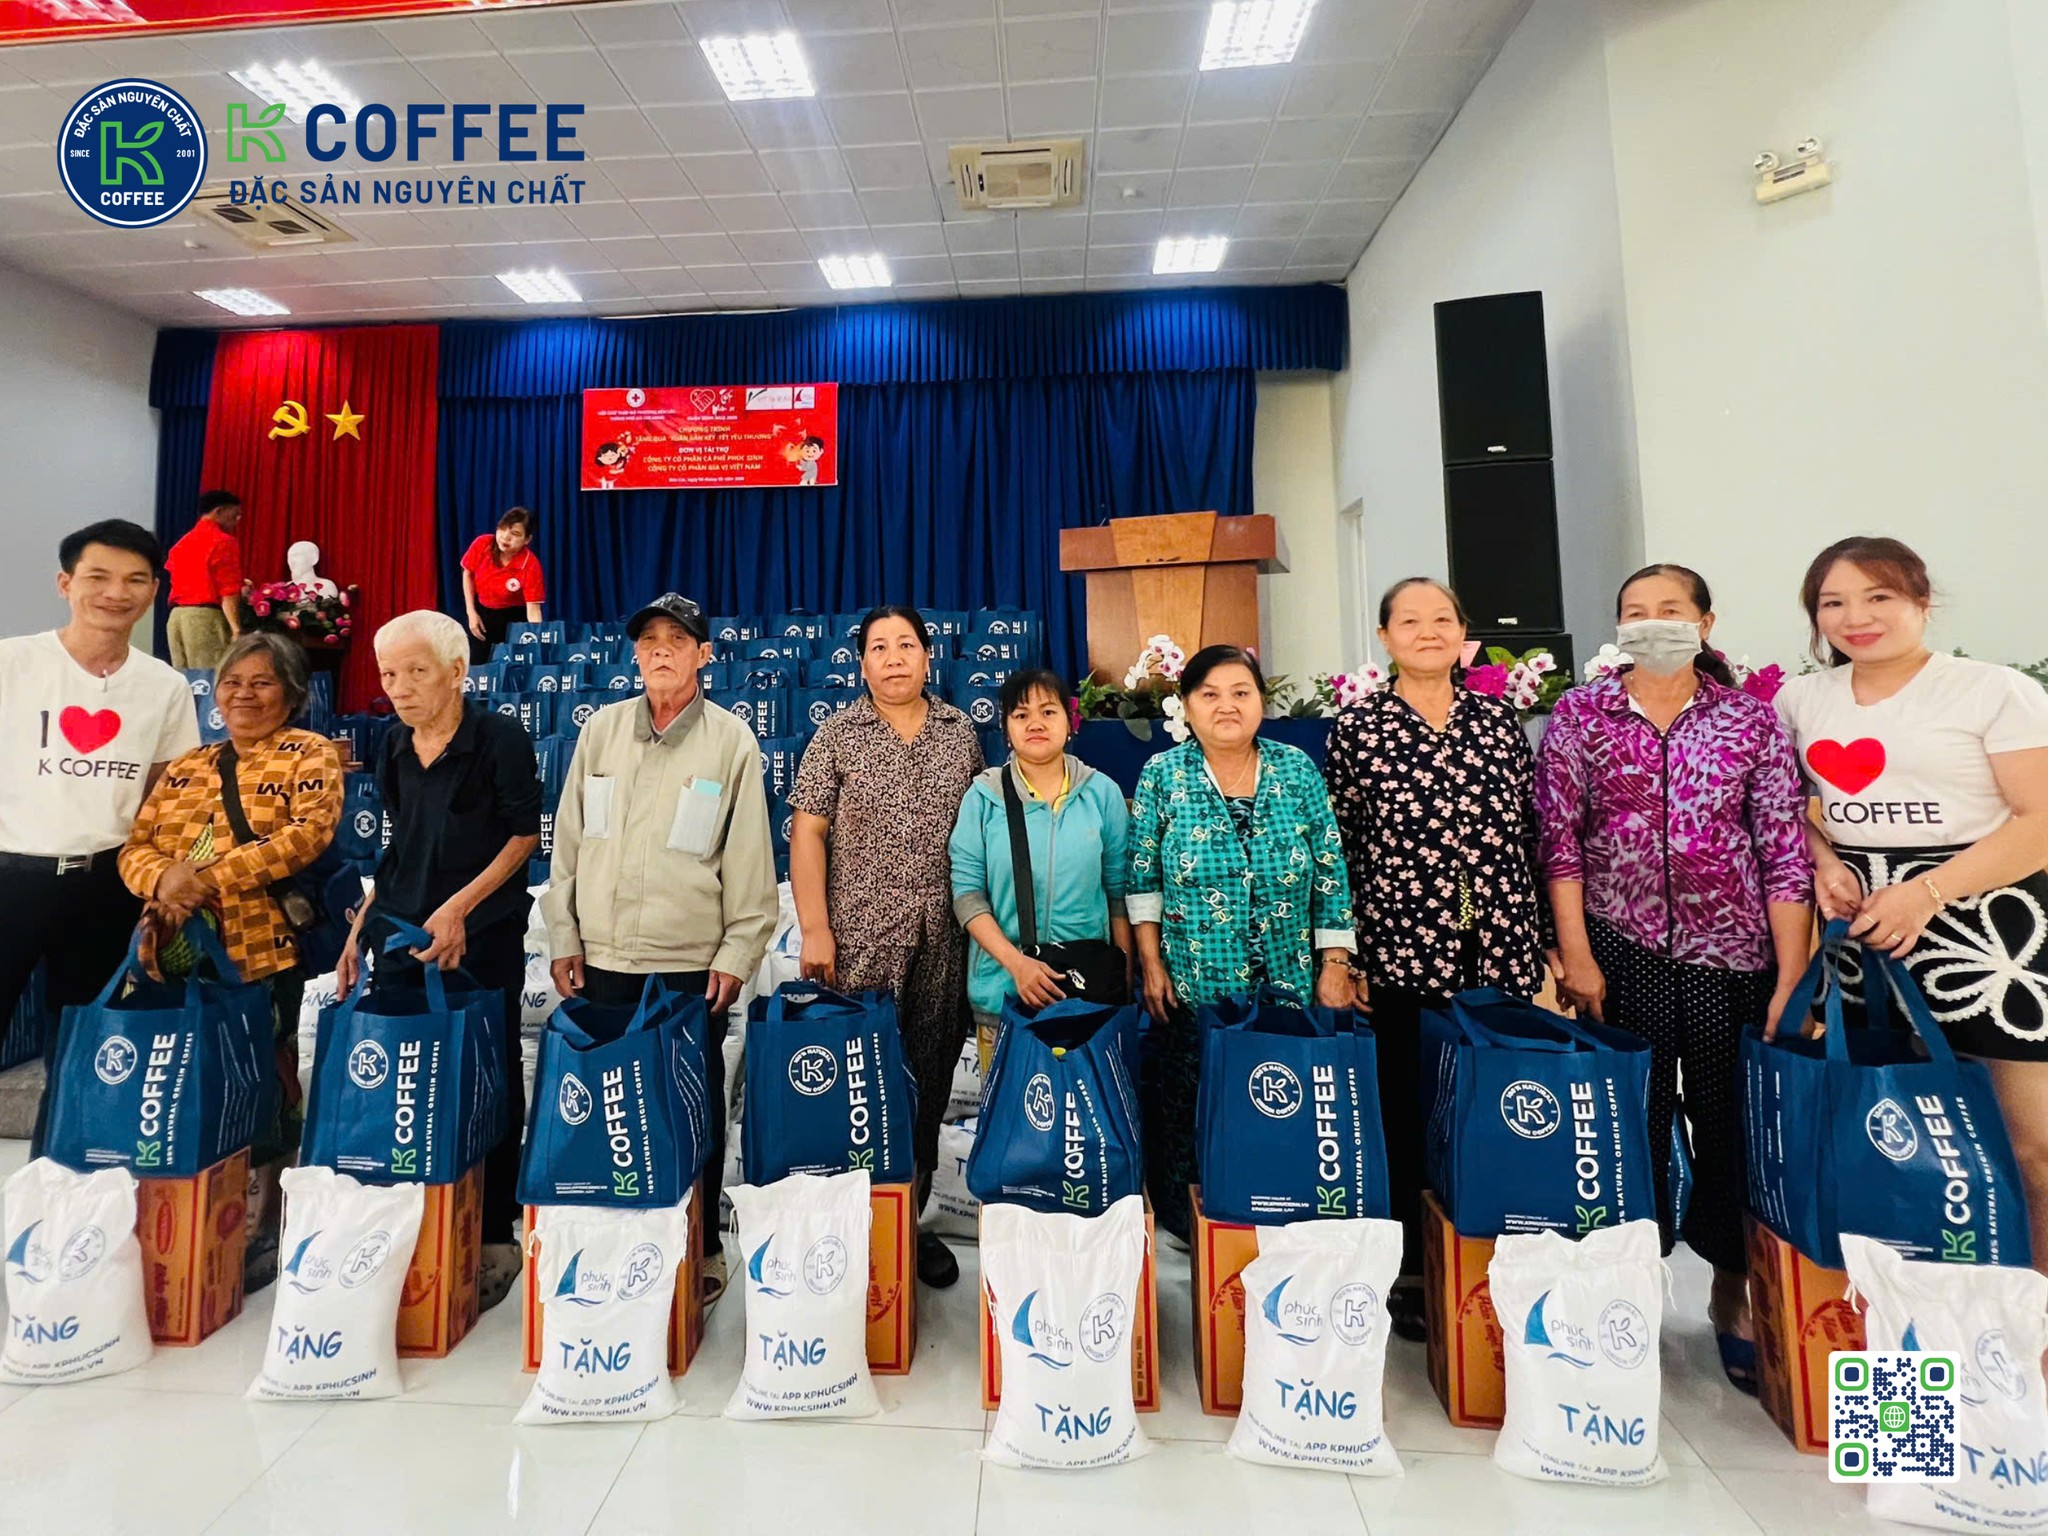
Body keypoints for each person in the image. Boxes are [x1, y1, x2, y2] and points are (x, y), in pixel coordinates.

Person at [1536, 563, 1812, 1392]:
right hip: (1620, 948)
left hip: (1735, 953)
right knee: (1631, 1124)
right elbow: (1559, 840)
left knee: (1730, 1124)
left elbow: (1783, 848)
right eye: (1635, 611)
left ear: (1704, 622)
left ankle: (1731, 1288)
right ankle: (1627, 1294)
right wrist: (1576, 953)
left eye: (1669, 609)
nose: (1651, 622)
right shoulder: (1581, 714)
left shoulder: (1748, 720)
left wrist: (1792, 971)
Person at [1774, 536, 2048, 1267]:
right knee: (1904, 1138)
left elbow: (2039, 822)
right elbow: (1786, 806)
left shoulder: (1992, 690)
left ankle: (2033, 1315)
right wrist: (1824, 861)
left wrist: (1928, 893)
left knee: (2029, 1147)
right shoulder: (1802, 699)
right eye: (1833, 602)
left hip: (1989, 934)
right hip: (1863, 933)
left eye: (1879, 597)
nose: (1856, 617)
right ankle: (1923, 1301)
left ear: (1922, 602)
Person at [1325, 578, 1550, 1341]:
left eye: (1442, 619)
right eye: (1410, 621)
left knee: (1498, 1105)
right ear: (1384, 637)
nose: (1428, 632)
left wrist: (1543, 939)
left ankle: (1495, 1257)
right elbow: (1343, 846)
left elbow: (1528, 833)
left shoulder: (1498, 722)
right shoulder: (1358, 729)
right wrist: (1350, 955)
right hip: (1400, 948)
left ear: (1463, 634)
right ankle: (1414, 1269)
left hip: (1498, 946)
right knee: (1408, 1107)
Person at [543, 593, 778, 1305]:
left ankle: (701, 1247)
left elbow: (749, 858)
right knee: (607, 1111)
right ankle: (618, 1239)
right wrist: (563, 933)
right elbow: (570, 840)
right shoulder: (601, 731)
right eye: (649, 641)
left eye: (677, 640)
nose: (661, 652)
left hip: (688, 966)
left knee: (689, 1111)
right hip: (603, 960)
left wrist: (737, 952)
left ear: (704, 655)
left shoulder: (731, 741)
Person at [118, 632, 343, 1289]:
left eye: (261, 682)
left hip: (261, 946)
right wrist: (163, 880)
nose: (243, 694)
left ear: (292, 694)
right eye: (232, 682)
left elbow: (305, 836)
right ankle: (186, 1206)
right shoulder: (188, 765)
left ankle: (266, 1217)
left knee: (266, 1076)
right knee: (180, 1079)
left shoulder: (310, 752)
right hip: (171, 946)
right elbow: (136, 845)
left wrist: (204, 879)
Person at [336, 610, 540, 1310]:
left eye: (416, 671)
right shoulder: (394, 743)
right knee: (401, 1077)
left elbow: (523, 837)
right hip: (399, 932)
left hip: (481, 935)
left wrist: (459, 908)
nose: (399, 687)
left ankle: (494, 1233)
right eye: (389, 673)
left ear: (457, 672)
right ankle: (409, 1218)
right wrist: (359, 929)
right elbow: (401, 844)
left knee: (489, 1076)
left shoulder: (499, 739)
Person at [1125, 644, 1356, 1241]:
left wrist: (1335, 963)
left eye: (1240, 693)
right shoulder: (1163, 775)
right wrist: (1151, 963)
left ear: (1261, 702)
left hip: (1287, 980)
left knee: (1280, 1098)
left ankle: (1277, 1211)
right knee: (1192, 1102)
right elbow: (1143, 878)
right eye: (1210, 695)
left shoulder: (1296, 770)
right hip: (1195, 980)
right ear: (1186, 706)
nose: (1226, 706)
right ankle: (1191, 1225)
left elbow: (1331, 870)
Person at [789, 604, 984, 1289]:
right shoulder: (837, 736)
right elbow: (807, 833)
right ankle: (852, 1229)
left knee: (926, 1085)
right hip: (858, 939)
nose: (894, 657)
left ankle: (908, 1225)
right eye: (879, 647)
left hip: (943, 938)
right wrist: (815, 927)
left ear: (929, 657)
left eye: (906, 644)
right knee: (861, 1085)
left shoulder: (961, 733)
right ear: (862, 664)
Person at [0, 520, 200, 1145]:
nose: (116, 593)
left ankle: (61, 1180)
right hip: (10, 876)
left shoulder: (164, 686)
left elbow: (165, 796)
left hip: (105, 885)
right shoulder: (11, 663)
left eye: (135, 580)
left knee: (87, 1052)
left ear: (154, 591)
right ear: (66, 583)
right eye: (98, 577)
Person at [948, 667, 1132, 1072]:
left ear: (1070, 723)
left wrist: (1122, 986)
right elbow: (967, 896)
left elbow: (1118, 895)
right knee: (1014, 1108)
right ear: (1006, 729)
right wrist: (1017, 965)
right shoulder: (983, 798)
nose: (1035, 723)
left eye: (1048, 712)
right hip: (1005, 997)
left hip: (1090, 1001)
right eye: (1021, 714)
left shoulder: (1102, 794)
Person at [164, 490, 245, 671]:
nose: (238, 519)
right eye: (235, 514)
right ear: (219, 511)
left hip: (176, 618)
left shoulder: (182, 543)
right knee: (211, 677)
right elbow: (228, 589)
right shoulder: (223, 542)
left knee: (185, 680)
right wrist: (236, 629)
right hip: (204, 620)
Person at [459, 507, 546, 664]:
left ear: (527, 540)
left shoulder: (531, 565)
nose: (505, 537)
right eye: (503, 529)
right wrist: (471, 613)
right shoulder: (482, 544)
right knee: (477, 666)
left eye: (515, 533)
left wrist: (536, 641)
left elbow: (533, 611)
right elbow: (468, 573)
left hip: (515, 619)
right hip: (483, 614)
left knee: (514, 668)